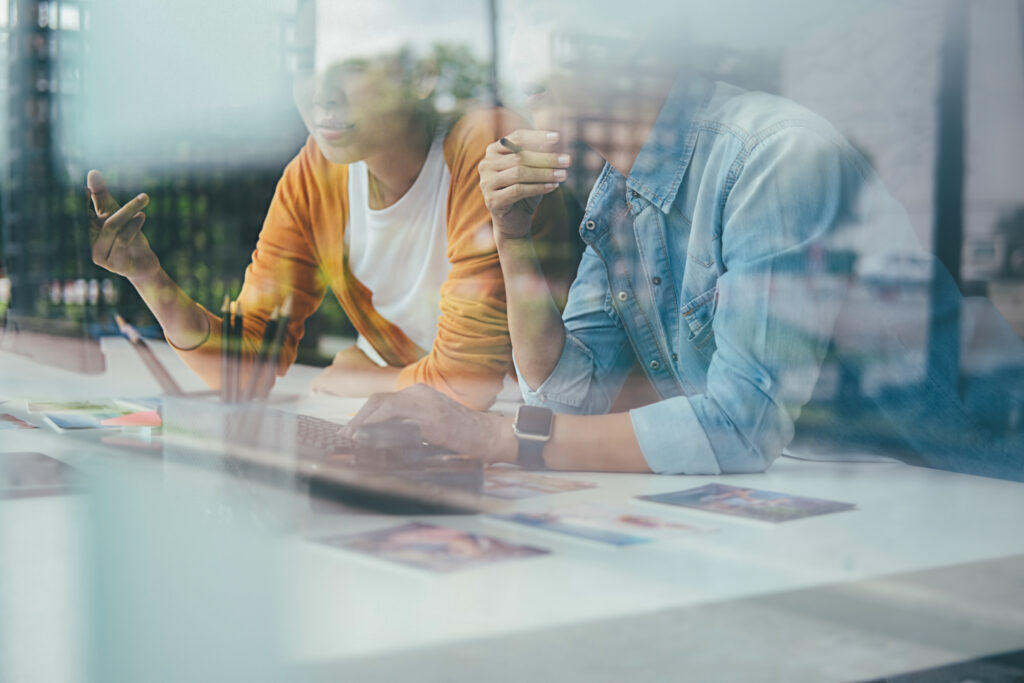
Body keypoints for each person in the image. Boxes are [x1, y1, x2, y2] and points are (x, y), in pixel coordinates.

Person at [345, 3, 1024, 481]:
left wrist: (498, 435)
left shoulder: (776, 156)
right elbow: (568, 397)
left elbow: (740, 426)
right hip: (854, 503)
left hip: (980, 495)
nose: (519, 58)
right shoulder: (617, 194)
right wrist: (511, 236)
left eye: (545, 19)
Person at [86, 0, 575, 411]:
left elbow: (467, 386)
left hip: (537, 431)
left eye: (351, 62)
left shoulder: (485, 147)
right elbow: (247, 364)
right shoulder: (314, 177)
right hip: (423, 430)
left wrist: (363, 380)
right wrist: (148, 275)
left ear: (420, 73)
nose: (321, 93)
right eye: (306, 63)